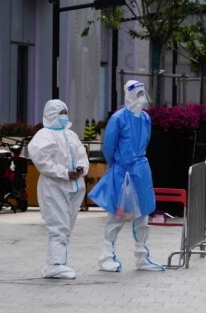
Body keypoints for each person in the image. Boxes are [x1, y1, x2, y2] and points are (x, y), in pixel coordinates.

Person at [88, 80, 164, 272]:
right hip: (123, 171)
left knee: (143, 214)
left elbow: (145, 141)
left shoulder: (145, 118)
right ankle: (106, 257)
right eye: (138, 93)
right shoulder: (118, 118)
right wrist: (117, 167)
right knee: (117, 215)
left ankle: (142, 256)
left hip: (141, 171)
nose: (141, 97)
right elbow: (108, 146)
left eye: (142, 93)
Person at [27, 99, 89, 279]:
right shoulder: (43, 136)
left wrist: (80, 169)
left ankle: (57, 263)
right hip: (54, 187)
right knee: (58, 226)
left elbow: (81, 155)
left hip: (75, 186)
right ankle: (55, 264)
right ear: (51, 114)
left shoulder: (70, 135)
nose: (64, 116)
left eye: (65, 112)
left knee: (67, 225)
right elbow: (43, 162)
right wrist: (64, 173)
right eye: (60, 113)